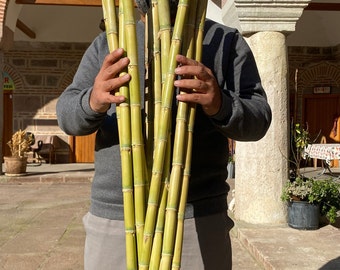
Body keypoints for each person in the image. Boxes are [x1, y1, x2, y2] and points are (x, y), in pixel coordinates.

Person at [56, 1, 272, 269]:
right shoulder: (109, 42)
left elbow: (260, 118)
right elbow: (66, 116)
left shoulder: (225, 42)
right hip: (116, 216)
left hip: (196, 217)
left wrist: (220, 104)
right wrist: (93, 100)